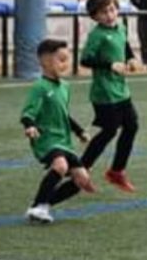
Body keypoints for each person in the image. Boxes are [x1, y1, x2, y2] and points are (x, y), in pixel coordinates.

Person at [20, 39, 96, 223]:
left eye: (67, 60)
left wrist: (79, 131)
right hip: (46, 139)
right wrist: (30, 126)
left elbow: (63, 114)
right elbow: (27, 113)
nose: (65, 64)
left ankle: (41, 206)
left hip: (63, 141)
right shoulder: (39, 87)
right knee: (60, 166)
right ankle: (39, 206)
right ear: (45, 61)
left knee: (81, 180)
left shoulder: (65, 86)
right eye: (60, 59)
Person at [76, 0, 141, 194]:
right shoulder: (97, 35)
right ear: (94, 16)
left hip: (121, 90)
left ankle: (116, 171)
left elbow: (125, 45)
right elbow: (85, 60)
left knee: (131, 125)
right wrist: (110, 65)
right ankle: (81, 168)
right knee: (110, 130)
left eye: (112, 9)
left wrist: (130, 58)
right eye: (104, 12)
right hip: (104, 93)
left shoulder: (120, 26)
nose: (110, 15)